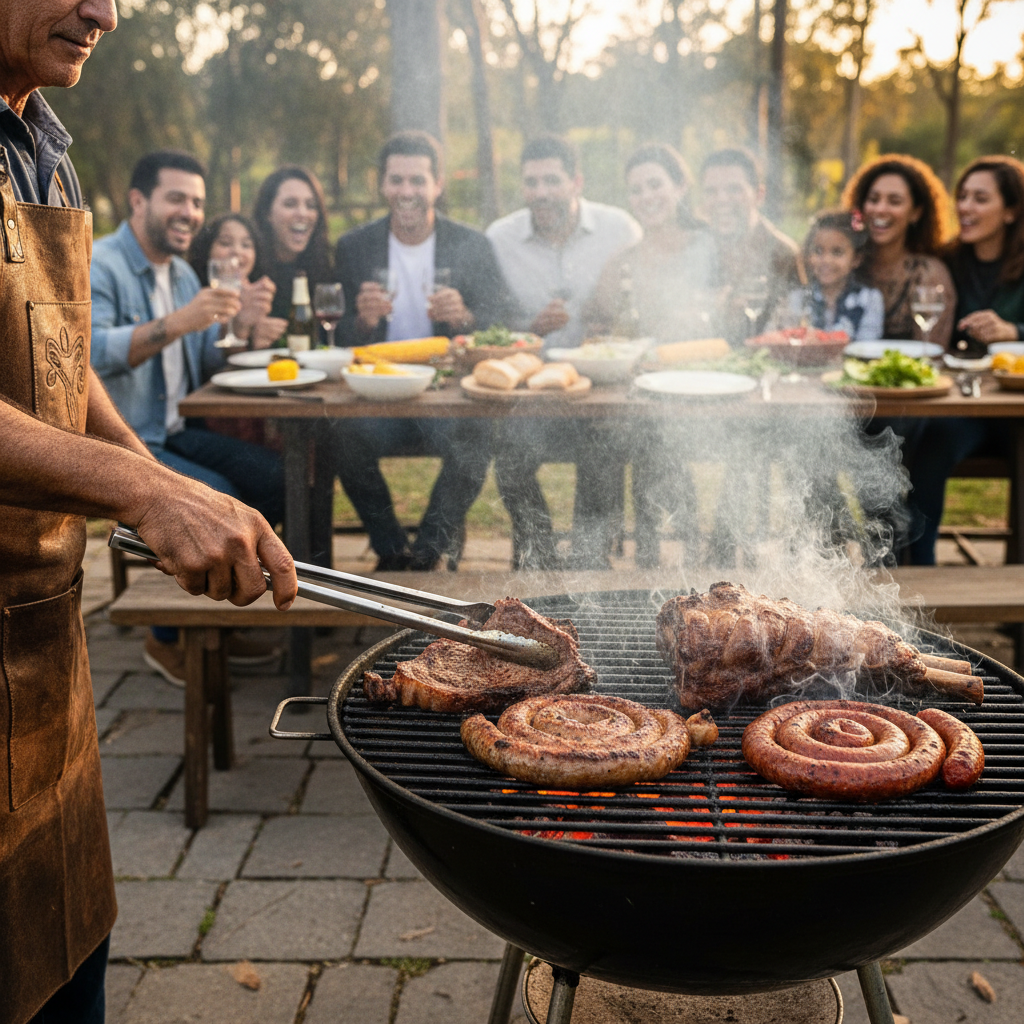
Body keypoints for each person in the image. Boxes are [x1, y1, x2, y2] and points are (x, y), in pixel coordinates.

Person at [0, 5, 296, 1024]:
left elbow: (55, 354)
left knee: (68, 947)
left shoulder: (41, 147)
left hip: (43, 630)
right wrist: (146, 488)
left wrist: (158, 477)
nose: (107, 11)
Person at [91, 151, 287, 682]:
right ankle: (168, 637)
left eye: (197, 202)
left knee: (276, 478)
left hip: (179, 429)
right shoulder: (102, 263)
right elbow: (87, 353)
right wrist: (179, 321)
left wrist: (241, 329)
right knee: (218, 496)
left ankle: (213, 621)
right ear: (138, 201)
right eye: (176, 198)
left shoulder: (180, 272)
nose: (190, 213)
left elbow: (206, 364)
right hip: (127, 440)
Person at [332, 130, 513, 570]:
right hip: (379, 398)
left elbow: (501, 323)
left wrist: (465, 318)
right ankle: (392, 549)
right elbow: (335, 335)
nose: (406, 191)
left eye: (418, 180)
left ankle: (428, 551)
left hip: (445, 397)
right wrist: (362, 322)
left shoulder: (472, 244)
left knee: (477, 438)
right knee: (340, 435)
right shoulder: (354, 247)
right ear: (382, 184)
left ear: (438, 184)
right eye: (397, 180)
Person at [486, 135, 641, 568]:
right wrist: (529, 328)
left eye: (552, 180)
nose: (541, 192)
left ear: (576, 182)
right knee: (509, 455)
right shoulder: (500, 238)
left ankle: (588, 561)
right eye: (531, 182)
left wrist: (611, 326)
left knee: (604, 446)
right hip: (530, 394)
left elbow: (641, 300)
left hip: (601, 391)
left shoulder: (620, 229)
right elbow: (489, 321)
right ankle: (540, 558)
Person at [583, 144, 713, 566]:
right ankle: (600, 561)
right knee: (609, 437)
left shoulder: (709, 248)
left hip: (702, 395)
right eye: (636, 189)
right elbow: (596, 324)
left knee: (653, 436)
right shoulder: (624, 261)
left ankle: (677, 558)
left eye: (655, 184)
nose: (646, 197)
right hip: (636, 399)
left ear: (680, 186)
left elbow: (736, 319)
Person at [904, 155, 1024, 564]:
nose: (965, 207)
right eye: (963, 196)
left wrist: (1014, 331)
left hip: (1016, 406)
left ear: (1011, 211)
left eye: (980, 198)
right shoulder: (948, 261)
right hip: (967, 405)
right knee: (930, 446)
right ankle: (919, 571)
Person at [841, 154, 955, 345]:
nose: (880, 209)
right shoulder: (844, 265)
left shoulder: (928, 274)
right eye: (873, 199)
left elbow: (930, 351)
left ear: (916, 212)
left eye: (894, 201)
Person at [700, 147, 804, 345]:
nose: (721, 199)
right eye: (711, 191)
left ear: (759, 195)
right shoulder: (697, 248)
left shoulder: (782, 254)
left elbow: (795, 332)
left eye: (734, 189)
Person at [188, 212, 287, 350]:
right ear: (206, 248)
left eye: (246, 245)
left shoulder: (260, 298)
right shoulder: (192, 294)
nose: (237, 251)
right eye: (225, 243)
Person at [782, 209, 884, 341]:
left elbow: (868, 344)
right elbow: (788, 339)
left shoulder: (869, 299)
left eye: (837, 252)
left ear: (856, 259)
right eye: (818, 251)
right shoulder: (799, 298)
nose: (826, 260)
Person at [251, 165, 333, 320]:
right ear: (267, 213)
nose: (302, 213)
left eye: (311, 206)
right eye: (290, 204)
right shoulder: (250, 271)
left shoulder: (325, 268)